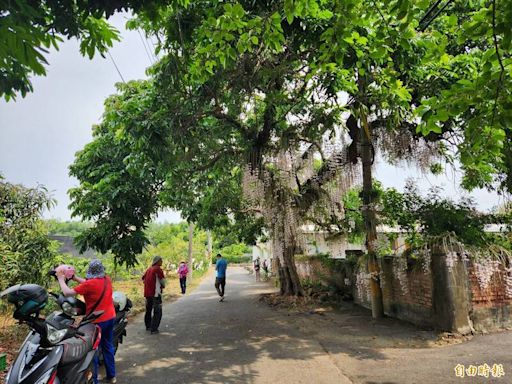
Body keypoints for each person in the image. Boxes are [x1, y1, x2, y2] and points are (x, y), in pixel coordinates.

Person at [57, 260, 117, 384]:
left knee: (92, 351)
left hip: (97, 321)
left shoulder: (89, 285)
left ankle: (94, 380)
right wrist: (74, 278)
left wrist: (61, 279)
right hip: (110, 317)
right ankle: (112, 376)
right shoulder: (106, 279)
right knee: (108, 346)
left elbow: (68, 293)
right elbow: (89, 283)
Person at [142, 256, 166, 334]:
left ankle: (148, 326)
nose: (162, 262)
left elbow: (143, 279)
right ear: (157, 261)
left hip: (147, 293)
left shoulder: (149, 269)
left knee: (148, 310)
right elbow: (162, 281)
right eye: (161, 260)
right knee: (157, 311)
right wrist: (163, 286)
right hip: (155, 293)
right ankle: (154, 328)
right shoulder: (157, 269)